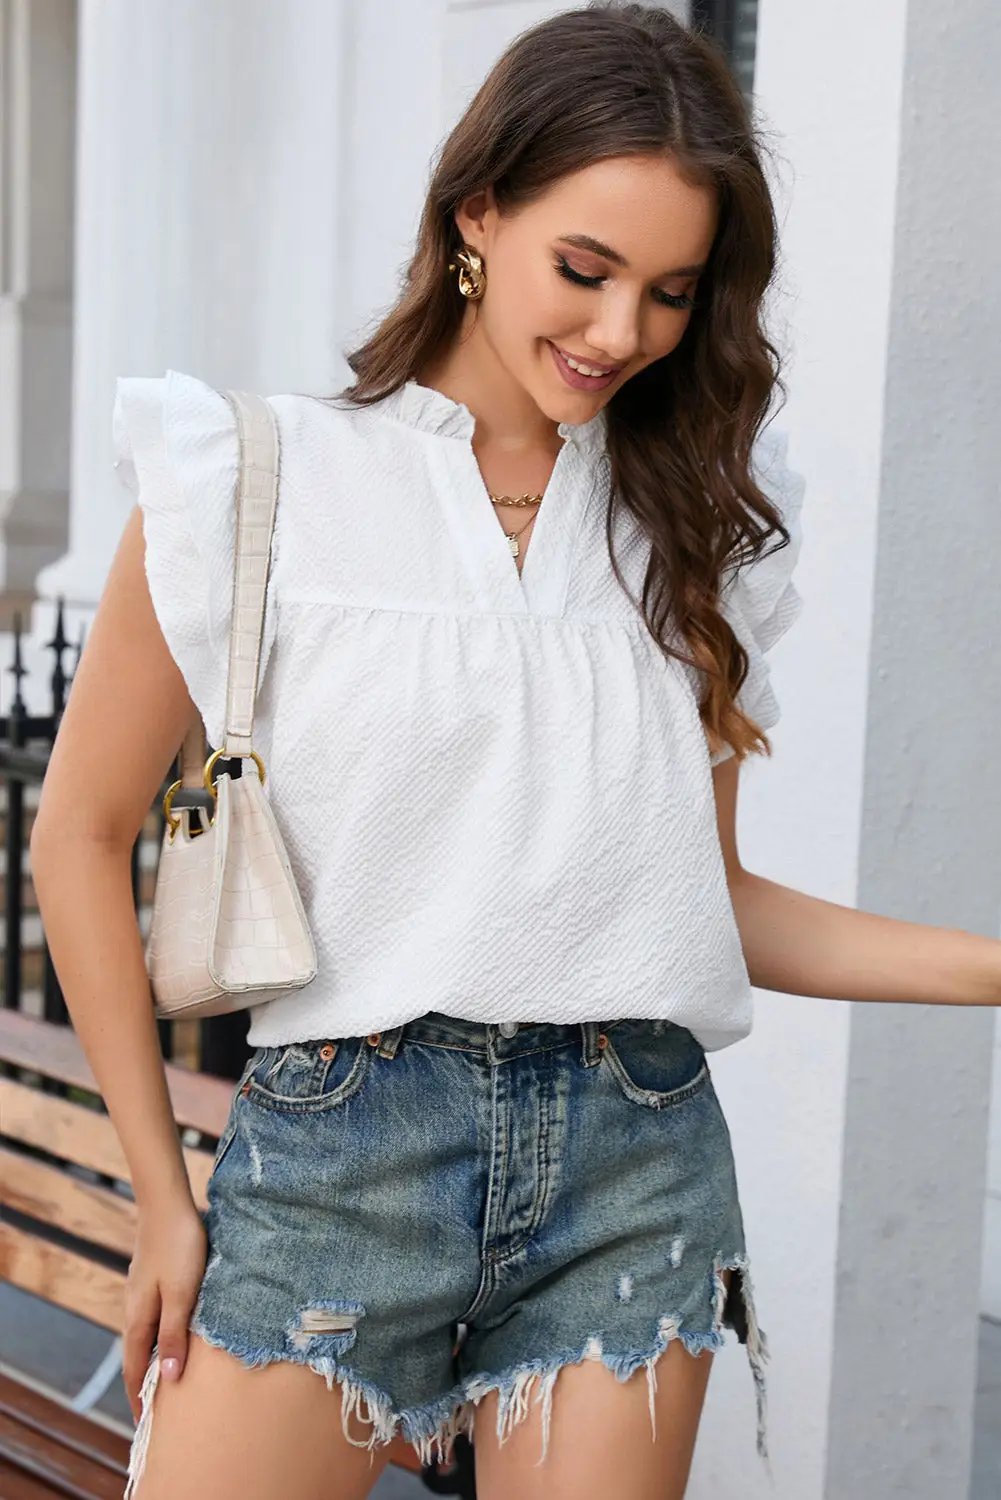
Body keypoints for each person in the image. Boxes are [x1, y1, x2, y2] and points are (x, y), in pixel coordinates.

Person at [29, 5, 1000, 1499]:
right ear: (477, 213)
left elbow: (709, 905)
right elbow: (81, 835)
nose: (621, 335)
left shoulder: (688, 536)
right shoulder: (249, 479)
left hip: (635, 1157)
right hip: (342, 1153)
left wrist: (985, 963)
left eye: (671, 293)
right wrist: (163, 1194)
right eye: (586, 271)